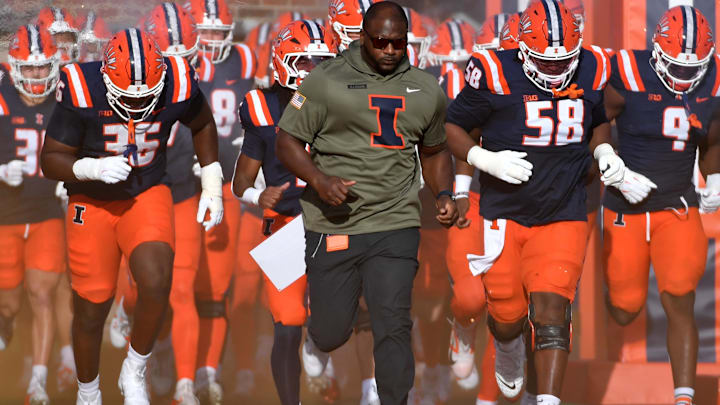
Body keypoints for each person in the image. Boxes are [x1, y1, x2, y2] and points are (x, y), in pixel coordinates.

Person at [276, 2, 457, 404]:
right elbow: (286, 141)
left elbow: (435, 150)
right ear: (362, 38)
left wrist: (443, 192)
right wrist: (320, 180)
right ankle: (319, 334)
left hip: (395, 222)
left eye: (398, 42)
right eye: (381, 42)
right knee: (330, 331)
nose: (391, 50)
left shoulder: (425, 87)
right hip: (334, 221)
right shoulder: (324, 79)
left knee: (391, 322)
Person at [444, 1, 621, 404]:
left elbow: (599, 119)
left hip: (564, 209)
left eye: (565, 62)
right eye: (546, 61)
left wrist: (604, 151)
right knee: (506, 315)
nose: (557, 70)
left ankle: (548, 400)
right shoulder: (494, 71)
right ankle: (506, 347)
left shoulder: (593, 65)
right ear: (523, 50)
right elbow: (453, 126)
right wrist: (483, 158)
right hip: (504, 211)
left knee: (553, 312)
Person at [40, 28, 223, 405]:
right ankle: (88, 393)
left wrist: (211, 180)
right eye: (126, 98)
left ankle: (135, 369)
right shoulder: (81, 86)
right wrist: (89, 168)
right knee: (92, 308)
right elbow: (50, 160)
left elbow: (202, 122)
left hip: (146, 189)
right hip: (91, 199)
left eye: (146, 98)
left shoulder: (177, 81)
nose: (137, 107)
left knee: (157, 281)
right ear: (106, 79)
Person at [602, 6, 720, 405]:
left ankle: (683, 399)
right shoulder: (628, 72)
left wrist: (715, 176)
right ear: (655, 52)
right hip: (624, 207)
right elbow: (592, 119)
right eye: (676, 67)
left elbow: (712, 139)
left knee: (680, 296)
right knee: (624, 309)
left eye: (694, 69)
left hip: (677, 206)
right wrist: (611, 164)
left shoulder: (714, 77)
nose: (684, 77)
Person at [233, 19, 335, 405]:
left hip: (336, 220)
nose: (313, 71)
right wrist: (257, 197)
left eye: (321, 62)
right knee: (288, 323)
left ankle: (321, 344)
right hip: (287, 226)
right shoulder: (261, 106)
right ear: (282, 62)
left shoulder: (345, 100)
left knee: (335, 320)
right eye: (305, 62)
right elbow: (240, 181)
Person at [186, 1, 257, 402]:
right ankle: (164, 350)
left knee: (219, 284)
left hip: (230, 184)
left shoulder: (245, 59)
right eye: (205, 31)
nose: (211, 41)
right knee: (176, 279)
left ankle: (209, 368)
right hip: (186, 181)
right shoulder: (179, 63)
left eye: (218, 32)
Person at [0, 24, 65, 405]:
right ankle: (9, 328)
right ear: (13, 67)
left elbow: (88, 145)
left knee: (42, 293)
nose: (38, 76)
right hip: (6, 215)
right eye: (30, 68)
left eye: (44, 68)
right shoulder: (3, 96)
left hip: (45, 213)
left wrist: (73, 178)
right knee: (8, 300)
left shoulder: (66, 99)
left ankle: (38, 380)